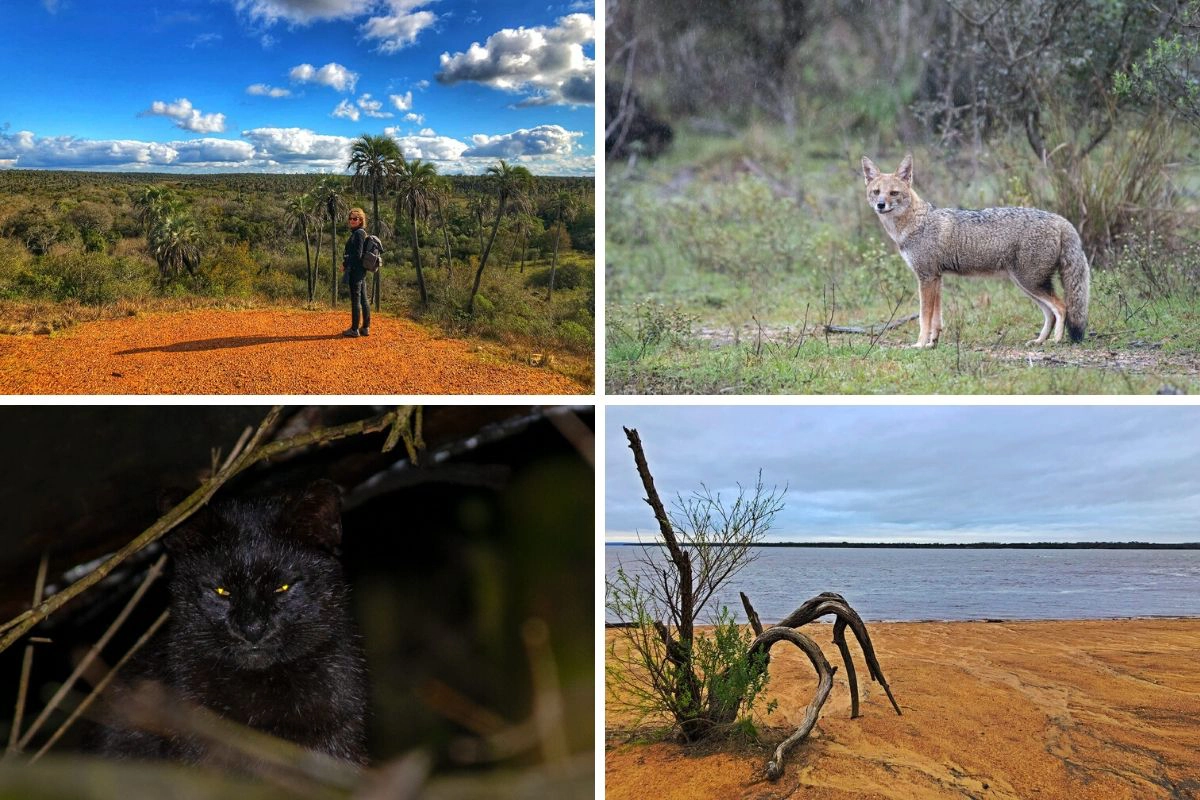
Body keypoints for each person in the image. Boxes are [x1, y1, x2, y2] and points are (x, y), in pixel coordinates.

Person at [342, 208, 371, 337]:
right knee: (364, 299)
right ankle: (365, 328)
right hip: (360, 270)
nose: (352, 221)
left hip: (356, 270)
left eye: (355, 218)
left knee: (356, 300)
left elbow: (357, 254)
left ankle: (354, 329)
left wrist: (346, 264)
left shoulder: (359, 233)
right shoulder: (358, 233)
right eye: (351, 218)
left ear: (361, 220)